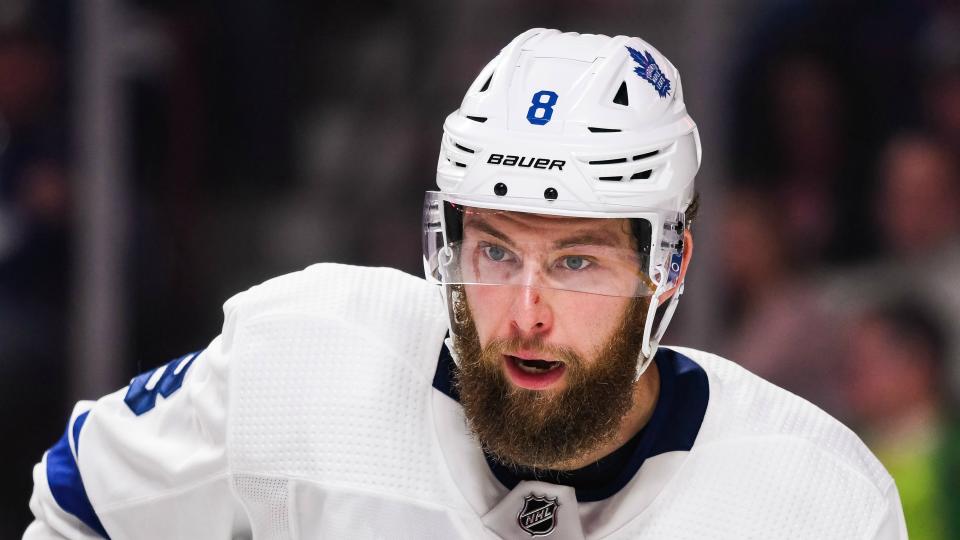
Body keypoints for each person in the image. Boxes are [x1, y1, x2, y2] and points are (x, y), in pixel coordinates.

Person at [24, 29, 906, 539]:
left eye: (576, 261)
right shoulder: (305, 354)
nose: (525, 313)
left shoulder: (813, 500)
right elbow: (78, 509)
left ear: (667, 266)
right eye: (494, 251)